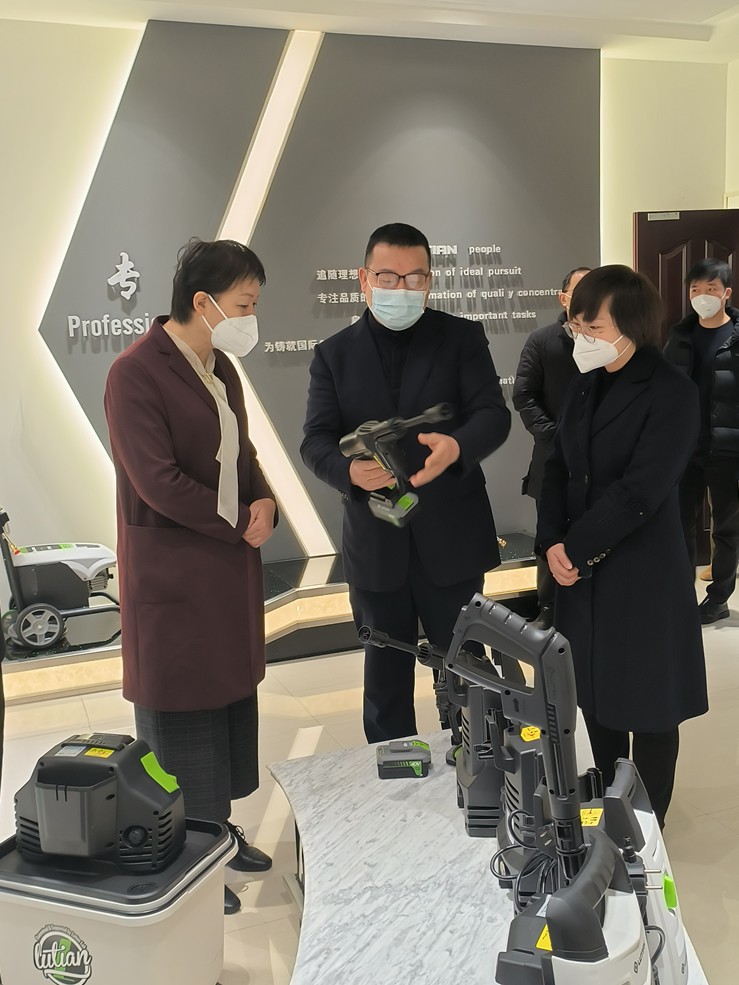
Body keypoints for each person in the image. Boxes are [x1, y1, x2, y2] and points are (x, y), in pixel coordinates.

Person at [104, 239, 277, 915]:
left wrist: (265, 500)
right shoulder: (134, 373)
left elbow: (241, 451)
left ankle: (220, 837)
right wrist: (236, 522)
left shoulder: (219, 365)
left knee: (226, 708)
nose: (250, 317)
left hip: (224, 567)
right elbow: (158, 482)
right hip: (176, 571)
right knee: (182, 722)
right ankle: (187, 861)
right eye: (244, 305)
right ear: (202, 302)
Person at [301, 222, 511, 743]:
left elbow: (493, 414)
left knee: (467, 668)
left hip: (452, 536)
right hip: (377, 540)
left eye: (415, 277)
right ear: (364, 279)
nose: (402, 288)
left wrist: (457, 447)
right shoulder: (334, 353)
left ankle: (478, 763)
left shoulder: (462, 338)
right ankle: (391, 771)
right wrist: (349, 472)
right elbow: (315, 440)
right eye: (388, 277)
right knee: (385, 675)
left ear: (430, 280)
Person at [536, 264, 708, 828]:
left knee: (651, 702)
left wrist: (575, 548)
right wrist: (551, 542)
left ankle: (647, 824)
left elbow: (640, 492)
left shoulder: (672, 393)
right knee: (596, 692)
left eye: (595, 327)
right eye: (576, 326)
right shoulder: (587, 382)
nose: (582, 338)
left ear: (632, 325)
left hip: (642, 571)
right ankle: (610, 803)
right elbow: (558, 466)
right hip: (582, 570)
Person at [513, 266, 590, 630]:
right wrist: (556, 437)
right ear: (563, 298)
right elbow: (524, 396)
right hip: (552, 460)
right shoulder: (542, 341)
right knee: (550, 537)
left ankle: (590, 608)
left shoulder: (613, 340)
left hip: (600, 463)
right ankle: (548, 608)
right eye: (581, 291)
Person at [663, 258, 739, 625]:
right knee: (680, 524)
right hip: (684, 447)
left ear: (726, 293)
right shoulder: (679, 337)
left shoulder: (736, 337)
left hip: (728, 449)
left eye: (711, 289)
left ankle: (719, 597)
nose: (702, 296)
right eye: (695, 289)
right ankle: (679, 592)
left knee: (726, 526)